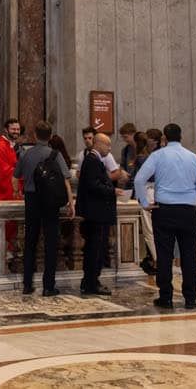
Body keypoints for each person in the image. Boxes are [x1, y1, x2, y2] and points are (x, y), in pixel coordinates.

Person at [135, 123, 196, 309]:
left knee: (165, 254)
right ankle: (191, 297)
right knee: (189, 255)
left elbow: (139, 179)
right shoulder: (192, 157)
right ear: (181, 136)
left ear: (164, 139)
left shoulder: (158, 156)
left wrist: (145, 203)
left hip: (164, 210)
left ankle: (166, 296)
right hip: (187, 211)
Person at [12, 120, 73, 296]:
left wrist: (17, 192)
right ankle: (48, 286)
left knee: (30, 242)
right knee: (51, 243)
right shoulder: (55, 154)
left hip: (31, 199)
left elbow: (15, 178)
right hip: (50, 202)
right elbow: (66, 181)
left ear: (35, 135)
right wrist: (71, 203)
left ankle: (27, 284)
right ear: (50, 136)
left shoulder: (25, 155)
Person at [76, 133, 117, 296]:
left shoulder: (93, 160)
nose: (109, 148)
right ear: (98, 144)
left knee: (96, 248)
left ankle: (90, 281)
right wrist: (112, 190)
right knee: (95, 249)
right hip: (96, 213)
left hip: (96, 213)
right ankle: (91, 283)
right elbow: (93, 185)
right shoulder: (92, 160)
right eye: (107, 145)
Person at [0, 118, 22, 201]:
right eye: (13, 129)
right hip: (1, 193)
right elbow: (4, 171)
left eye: (18, 129)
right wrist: (22, 173)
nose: (16, 131)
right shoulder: (1, 146)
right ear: (6, 130)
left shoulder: (9, 144)